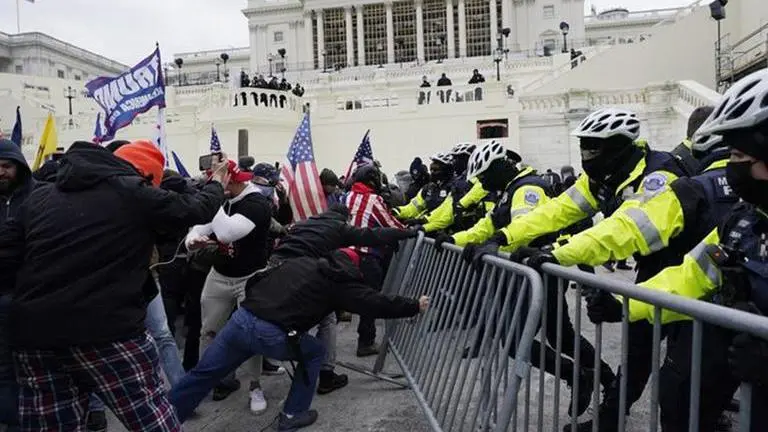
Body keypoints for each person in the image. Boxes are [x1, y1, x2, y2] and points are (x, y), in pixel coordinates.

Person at [0, 140, 228, 431]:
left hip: (34, 337)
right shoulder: (132, 192)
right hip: (106, 331)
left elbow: (8, 252)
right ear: (145, 176)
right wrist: (217, 181)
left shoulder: (41, 197)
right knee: (150, 418)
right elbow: (197, 209)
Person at [587, 68, 768, 432]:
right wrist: (624, 302)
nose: (731, 169)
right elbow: (690, 277)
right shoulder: (744, 222)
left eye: (738, 156)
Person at [522, 130, 736, 432]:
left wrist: (560, 254)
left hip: (684, 285)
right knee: (649, 362)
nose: (588, 159)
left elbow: (628, 229)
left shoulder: (665, 177)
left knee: (683, 382)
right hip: (667, 280)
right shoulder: (607, 180)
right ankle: (611, 417)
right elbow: (558, 212)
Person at [434, 141, 609, 416]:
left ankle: (579, 376)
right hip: (531, 274)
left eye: (483, 176)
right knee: (559, 335)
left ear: (499, 168)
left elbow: (523, 231)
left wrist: (494, 247)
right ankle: (605, 379)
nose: (481, 182)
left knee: (518, 340)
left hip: (539, 273)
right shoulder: (507, 191)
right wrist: (455, 239)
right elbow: (486, 227)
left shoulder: (528, 188)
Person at [169, 248, 429, 430]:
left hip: (241, 320)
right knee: (315, 352)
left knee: (204, 373)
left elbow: (259, 278)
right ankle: (292, 414)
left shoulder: (302, 262)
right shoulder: (342, 284)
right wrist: (413, 306)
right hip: (270, 333)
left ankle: (163, 419)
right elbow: (375, 303)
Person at [272, 204, 416, 394]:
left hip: (273, 270)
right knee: (327, 319)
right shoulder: (338, 227)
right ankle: (326, 375)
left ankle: (245, 380)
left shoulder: (305, 223)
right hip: (300, 272)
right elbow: (371, 235)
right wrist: (406, 233)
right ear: (345, 218)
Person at [185, 159, 274, 413]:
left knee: (252, 334)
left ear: (232, 182)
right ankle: (206, 383)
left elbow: (226, 233)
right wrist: (194, 239)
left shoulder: (257, 203)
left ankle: (255, 386)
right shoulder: (223, 199)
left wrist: (213, 197)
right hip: (221, 274)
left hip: (250, 277)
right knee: (208, 332)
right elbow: (200, 225)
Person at [345, 164, 407, 356]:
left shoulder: (348, 197)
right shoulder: (373, 199)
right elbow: (390, 224)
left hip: (345, 254)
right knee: (369, 300)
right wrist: (409, 230)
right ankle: (366, 342)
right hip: (366, 257)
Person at [0, 138, 34, 431]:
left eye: (6, 166)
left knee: (32, 366)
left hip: (31, 298)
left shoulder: (38, 199)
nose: (1, 172)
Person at [394, 152, 457, 225]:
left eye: (436, 170)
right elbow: (413, 208)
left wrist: (422, 221)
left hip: (443, 227)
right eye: (431, 169)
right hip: (424, 226)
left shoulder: (454, 187)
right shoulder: (428, 188)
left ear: (446, 171)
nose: (432, 172)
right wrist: (396, 211)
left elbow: (445, 213)